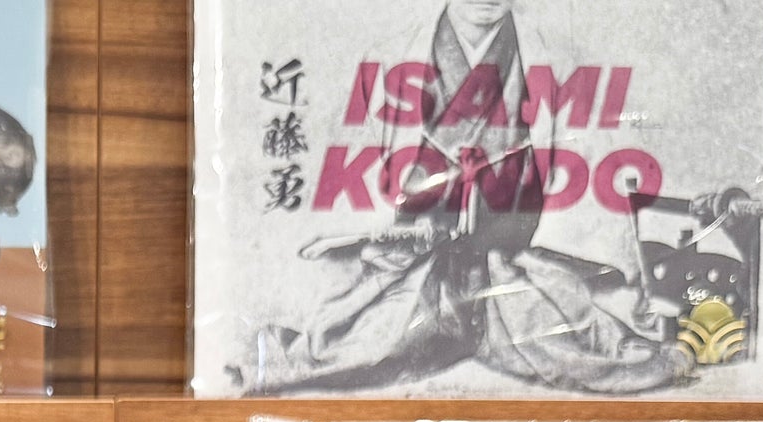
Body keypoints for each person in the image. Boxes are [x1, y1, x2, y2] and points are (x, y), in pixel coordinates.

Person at [250, 0, 698, 394]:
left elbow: (588, 173)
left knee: (573, 350)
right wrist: (396, 226)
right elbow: (357, 172)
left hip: (511, 260)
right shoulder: (393, 55)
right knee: (362, 348)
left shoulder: (555, 61)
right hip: (419, 265)